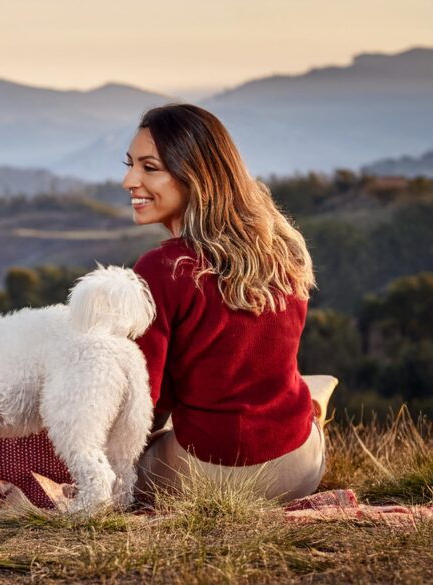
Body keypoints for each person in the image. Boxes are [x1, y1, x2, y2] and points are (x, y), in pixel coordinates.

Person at [125, 103, 334, 503]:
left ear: (194, 175)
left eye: (149, 168)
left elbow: (144, 404)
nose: (129, 180)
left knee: (125, 465)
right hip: (299, 468)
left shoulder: (159, 269)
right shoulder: (285, 248)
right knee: (300, 391)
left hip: (207, 477)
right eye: (131, 164)